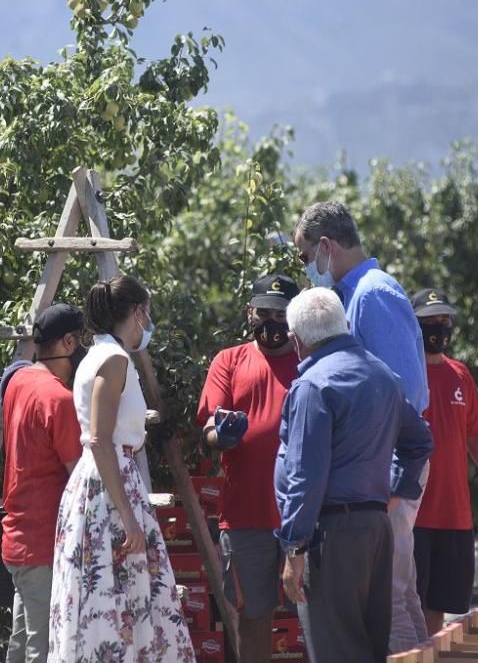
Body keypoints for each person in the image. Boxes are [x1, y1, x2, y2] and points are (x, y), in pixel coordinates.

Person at [294, 201, 431, 653]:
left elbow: (403, 391)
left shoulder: (372, 294)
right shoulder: (358, 293)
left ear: (327, 247)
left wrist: (390, 479)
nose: (307, 267)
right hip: (377, 469)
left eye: (305, 256)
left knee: (387, 598)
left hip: (379, 471)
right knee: (396, 593)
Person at [48, 276, 194, 663]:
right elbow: (100, 439)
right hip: (109, 484)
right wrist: (129, 517)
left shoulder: (97, 356)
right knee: (117, 597)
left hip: (103, 481)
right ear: (137, 311)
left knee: (113, 598)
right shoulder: (112, 359)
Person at [195, 274, 301, 663]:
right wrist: (220, 436)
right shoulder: (229, 360)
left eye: (280, 313)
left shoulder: (311, 361)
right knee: (253, 617)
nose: (271, 322)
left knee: (315, 613)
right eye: (264, 312)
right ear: (249, 312)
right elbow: (209, 425)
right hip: (246, 515)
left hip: (302, 514)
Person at [410, 288, 478, 635]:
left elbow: (477, 435)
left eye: (445, 321)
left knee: (439, 605)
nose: (439, 329)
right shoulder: (402, 374)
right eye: (430, 322)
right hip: (411, 514)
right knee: (408, 603)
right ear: (413, 325)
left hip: (454, 515)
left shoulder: (460, 375)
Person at [0, 304, 87, 663]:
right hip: (42, 542)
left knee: (21, 643)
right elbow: (80, 473)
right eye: (80, 340)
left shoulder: (19, 382)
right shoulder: (58, 398)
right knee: (44, 648)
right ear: (69, 341)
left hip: (18, 537)